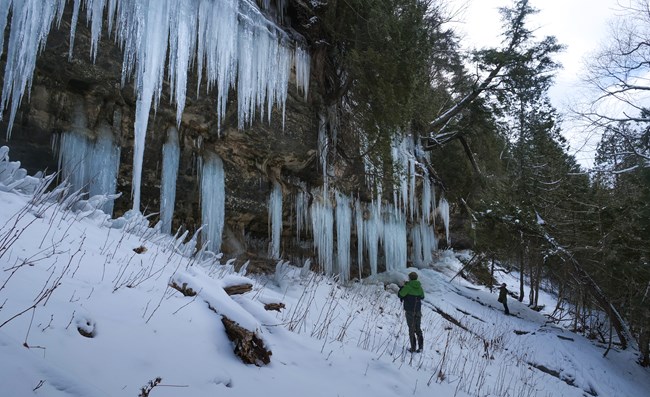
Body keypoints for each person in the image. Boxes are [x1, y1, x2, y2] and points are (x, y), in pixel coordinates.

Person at [398, 271, 425, 352]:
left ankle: (413, 348)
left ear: (409, 278)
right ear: (416, 278)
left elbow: (400, 295)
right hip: (418, 310)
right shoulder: (420, 287)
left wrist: (403, 286)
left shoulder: (408, 287)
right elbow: (422, 296)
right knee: (418, 329)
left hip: (410, 311)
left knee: (411, 329)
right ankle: (420, 347)